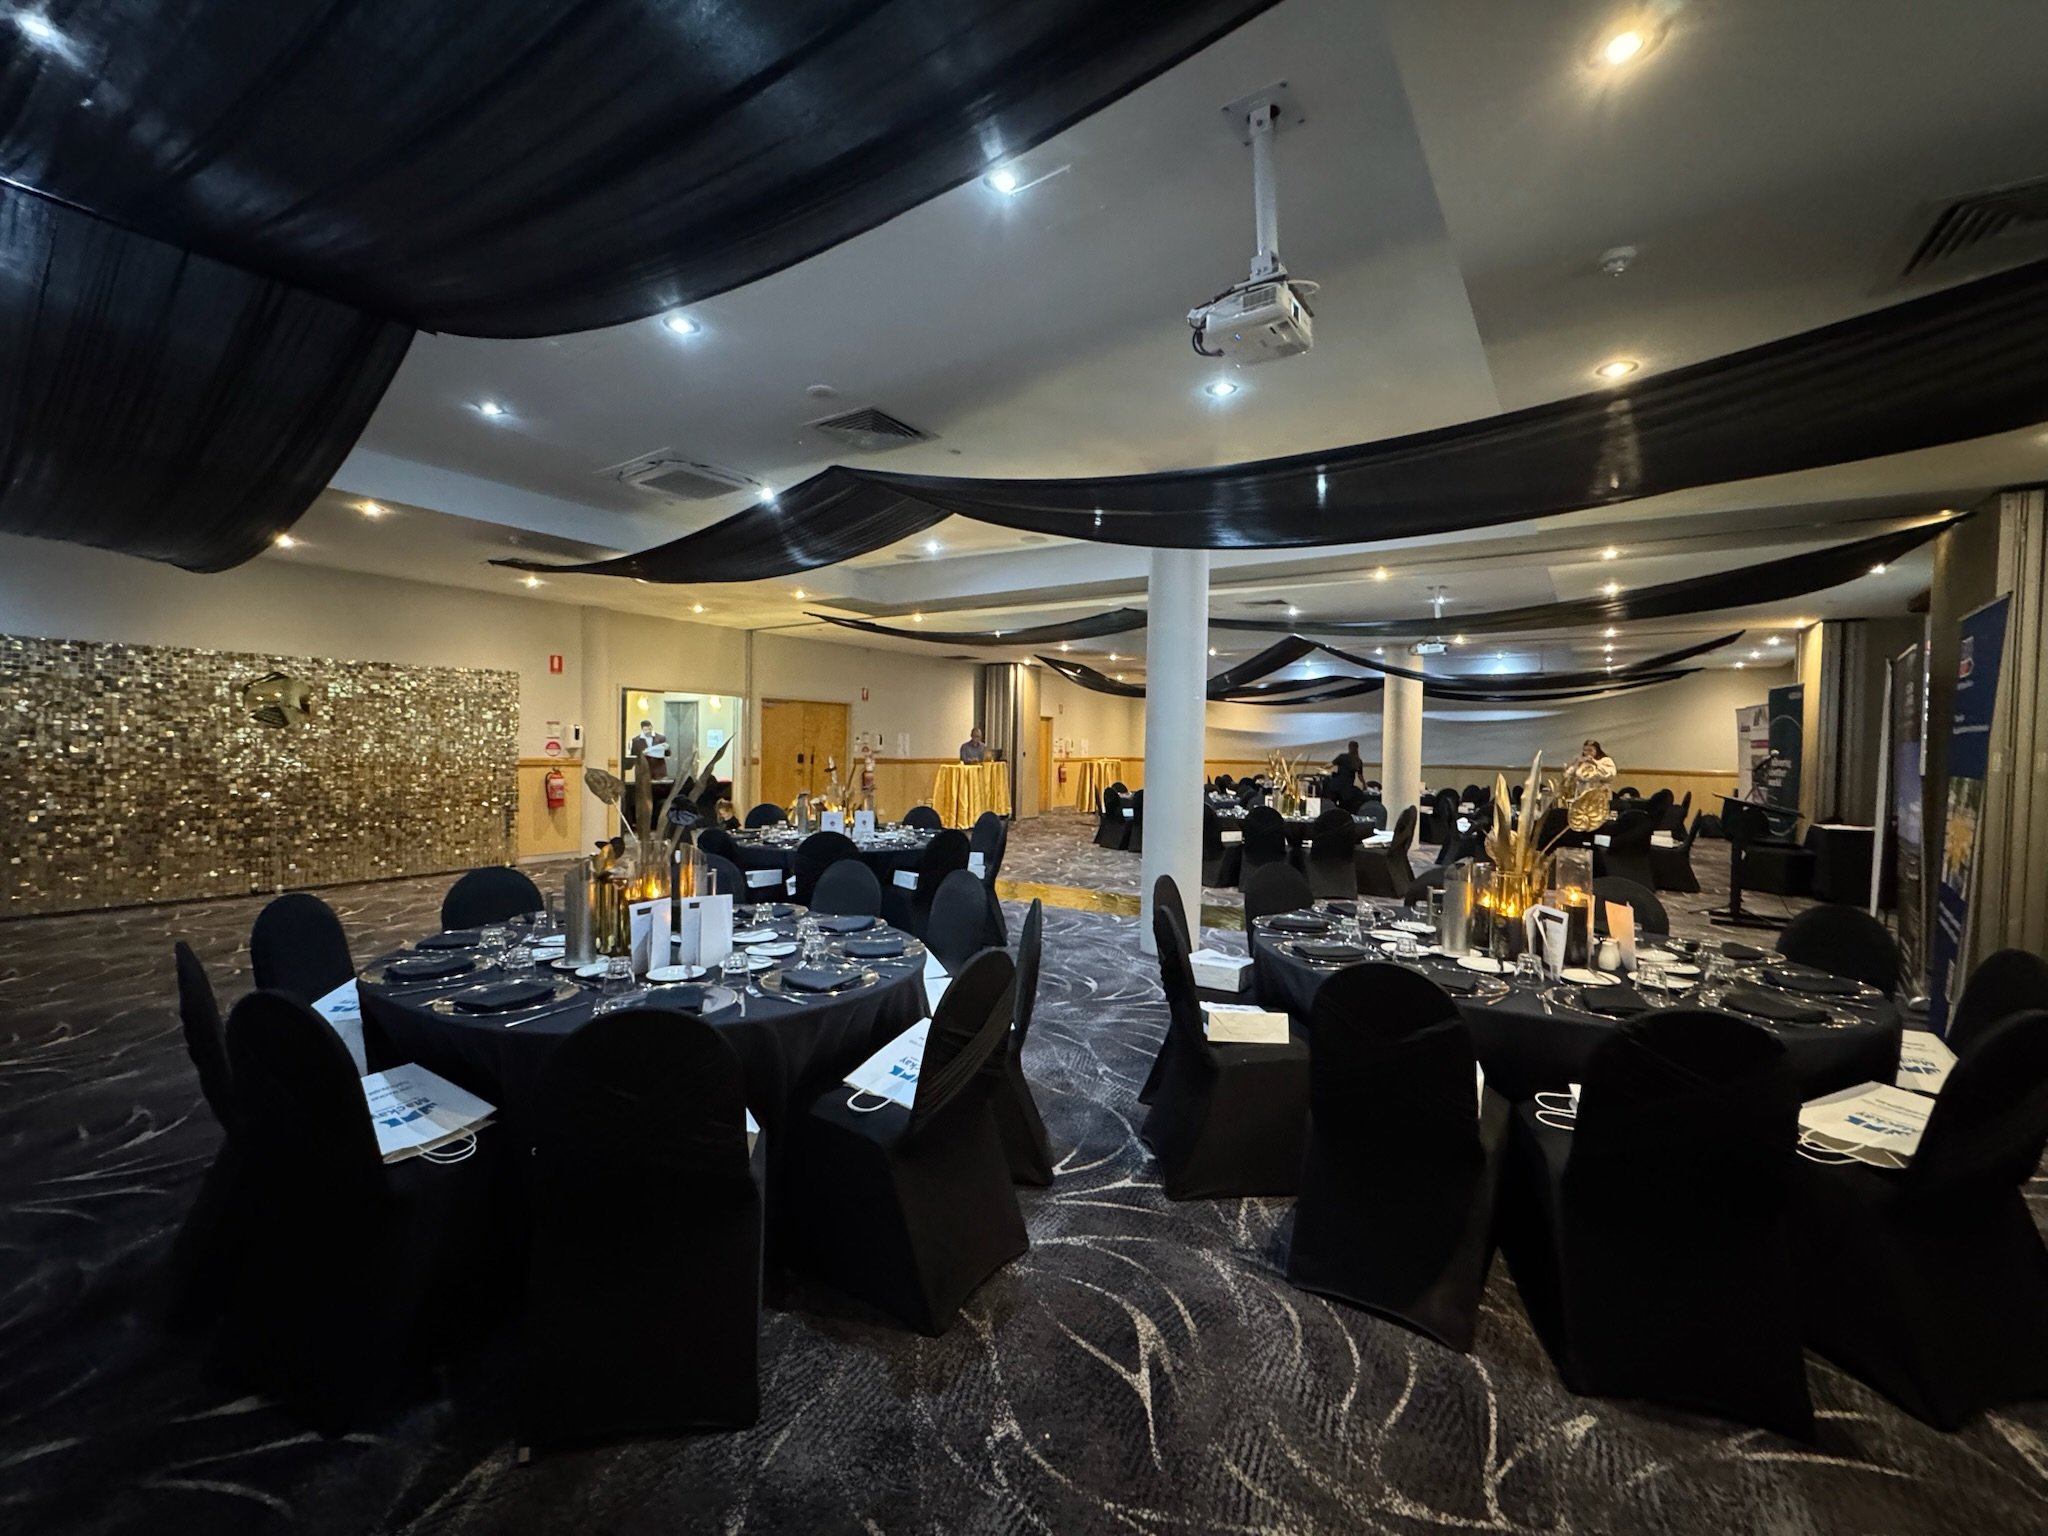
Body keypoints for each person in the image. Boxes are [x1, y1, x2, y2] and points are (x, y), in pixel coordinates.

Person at [1563, 738, 1617, 830]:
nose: (1587, 753)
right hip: (1581, 793)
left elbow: (1610, 775)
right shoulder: (1581, 762)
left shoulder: (1605, 761)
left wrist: (1595, 763)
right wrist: (1576, 764)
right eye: (1585, 750)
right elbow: (1568, 776)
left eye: (1590, 750)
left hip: (1598, 794)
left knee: (1597, 817)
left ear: (1597, 750)